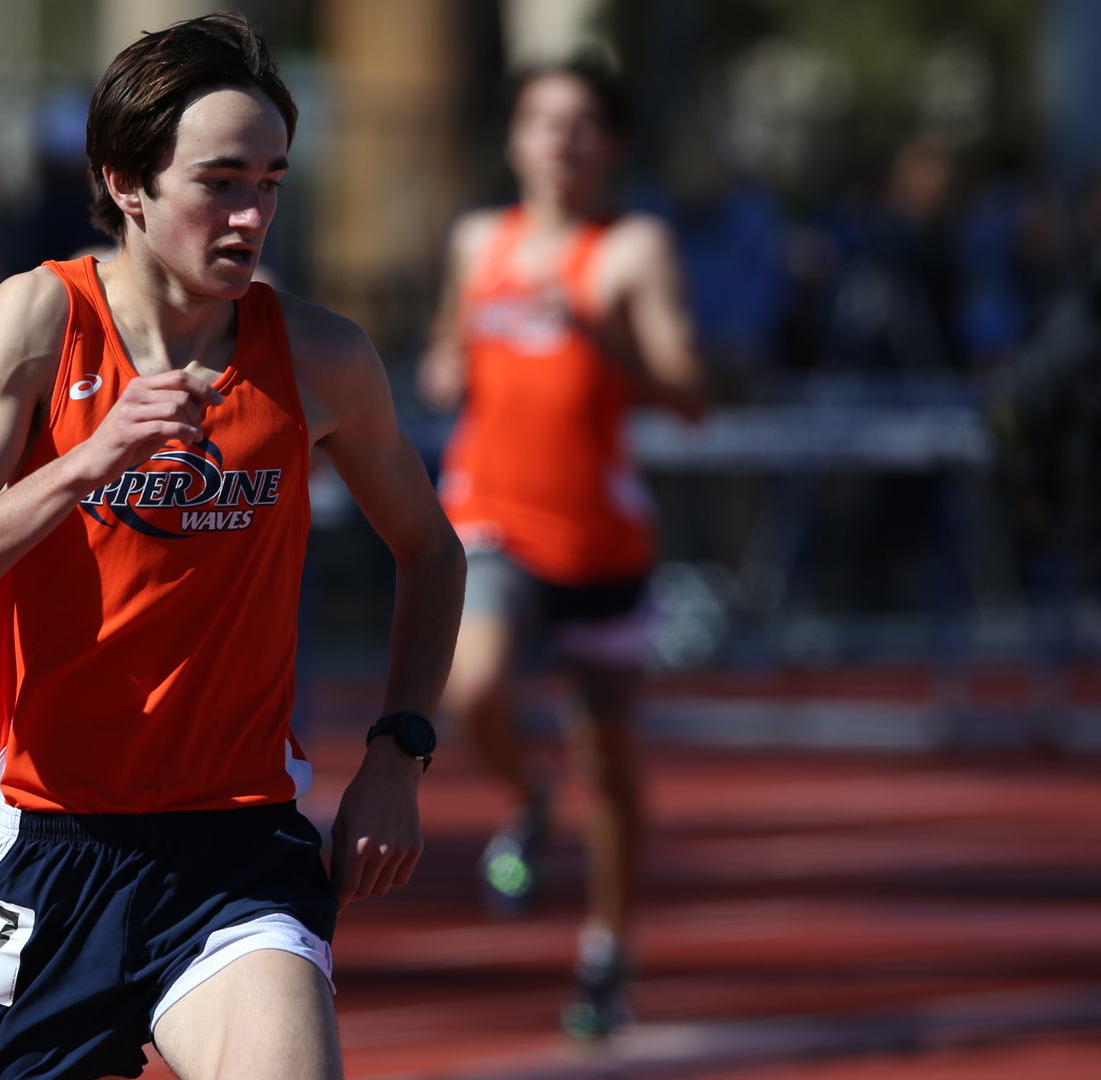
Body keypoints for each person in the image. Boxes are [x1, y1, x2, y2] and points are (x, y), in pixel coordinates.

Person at [0, 14, 465, 1080]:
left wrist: (398, 751)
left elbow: (430, 551)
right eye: (220, 182)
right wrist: (83, 465)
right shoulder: (38, 322)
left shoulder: (322, 358)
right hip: (59, 849)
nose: (251, 216)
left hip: (240, 849)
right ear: (128, 183)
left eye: (273, 183)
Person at [418, 57, 704, 1039]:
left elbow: (691, 392)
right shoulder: (477, 240)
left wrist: (600, 336)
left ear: (612, 146)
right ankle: (528, 794)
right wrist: (445, 368)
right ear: (515, 139)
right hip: (493, 516)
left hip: (601, 536)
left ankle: (607, 950)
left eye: (582, 124)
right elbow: (445, 354)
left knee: (612, 761)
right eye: (544, 121)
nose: (562, 141)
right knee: (473, 687)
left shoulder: (630, 251)